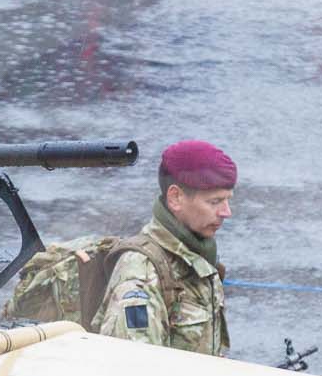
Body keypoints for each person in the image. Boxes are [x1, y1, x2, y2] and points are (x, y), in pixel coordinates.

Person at [92, 140, 236, 356]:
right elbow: (134, 370)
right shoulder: (140, 274)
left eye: (227, 200)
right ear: (176, 198)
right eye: (215, 202)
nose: (227, 212)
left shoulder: (197, 256)